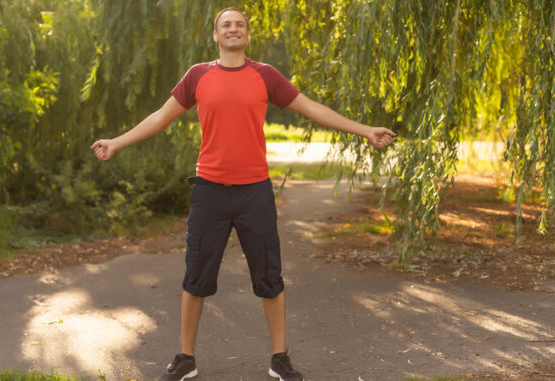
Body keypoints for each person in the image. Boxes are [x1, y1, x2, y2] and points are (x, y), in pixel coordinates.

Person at [91, 7, 395, 381]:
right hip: (209, 193)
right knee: (195, 278)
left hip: (255, 193)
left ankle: (279, 359)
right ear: (216, 36)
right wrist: (116, 143)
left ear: (248, 35)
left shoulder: (265, 75)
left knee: (270, 277)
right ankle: (186, 358)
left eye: (240, 25)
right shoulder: (197, 76)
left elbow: (311, 109)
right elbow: (160, 116)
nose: (233, 29)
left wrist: (364, 130)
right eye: (226, 25)